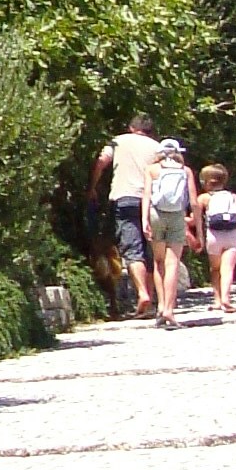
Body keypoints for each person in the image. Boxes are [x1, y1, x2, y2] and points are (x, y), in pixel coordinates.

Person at [97, 115, 164, 319]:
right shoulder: (157, 147)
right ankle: (152, 301)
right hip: (152, 201)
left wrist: (92, 188)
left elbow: (101, 162)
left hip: (124, 198)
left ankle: (142, 294)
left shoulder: (118, 141)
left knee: (132, 249)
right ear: (150, 130)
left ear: (131, 127)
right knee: (151, 249)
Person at [144, 132, 197, 325]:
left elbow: (147, 196)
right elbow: (193, 201)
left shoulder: (152, 170)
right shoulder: (185, 170)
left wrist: (144, 220)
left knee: (158, 262)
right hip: (177, 215)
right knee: (172, 263)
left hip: (156, 214)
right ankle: (169, 309)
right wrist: (197, 227)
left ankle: (160, 306)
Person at [197, 163, 236, 318]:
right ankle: (226, 298)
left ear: (205, 182)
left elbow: (195, 219)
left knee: (215, 269)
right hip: (232, 234)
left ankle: (217, 300)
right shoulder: (232, 197)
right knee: (228, 269)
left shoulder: (204, 198)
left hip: (213, 235)